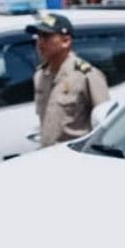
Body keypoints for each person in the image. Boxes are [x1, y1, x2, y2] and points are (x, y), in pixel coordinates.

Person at [27, 10, 109, 146]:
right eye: (38, 36)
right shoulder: (40, 75)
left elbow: (104, 122)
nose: (40, 42)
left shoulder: (86, 75)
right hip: (48, 153)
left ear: (65, 41)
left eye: (46, 36)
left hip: (75, 153)